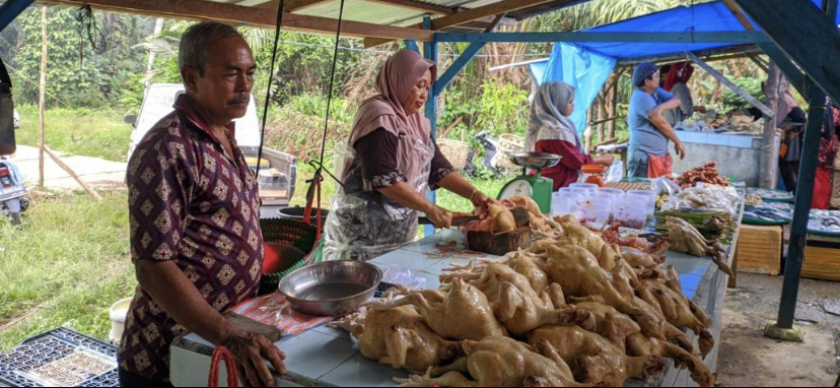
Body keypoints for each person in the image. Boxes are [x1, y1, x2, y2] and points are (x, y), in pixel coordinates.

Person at [119, 22, 286, 388]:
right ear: (191, 78)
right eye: (231, 74)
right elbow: (153, 266)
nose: (245, 85)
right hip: (167, 356)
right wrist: (228, 334)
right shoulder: (168, 147)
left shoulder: (223, 131)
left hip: (215, 343)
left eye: (250, 73)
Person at [324, 50, 494, 261]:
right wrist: (430, 208)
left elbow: (438, 168)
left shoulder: (416, 122)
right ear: (400, 81)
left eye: (427, 87)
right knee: (363, 279)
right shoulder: (379, 116)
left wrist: (475, 194)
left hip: (397, 233)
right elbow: (383, 179)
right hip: (363, 236)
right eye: (419, 85)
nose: (424, 94)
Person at [525, 82, 614, 190]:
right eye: (569, 102)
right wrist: (601, 159)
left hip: (549, 180)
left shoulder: (548, 126)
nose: (573, 105)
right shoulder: (555, 131)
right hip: (554, 184)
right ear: (557, 104)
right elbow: (574, 161)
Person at [627, 62, 685, 178]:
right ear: (647, 82)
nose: (660, 78)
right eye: (656, 76)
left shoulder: (654, 90)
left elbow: (677, 100)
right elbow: (661, 123)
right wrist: (678, 142)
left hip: (656, 156)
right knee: (642, 189)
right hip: (644, 159)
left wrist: (660, 107)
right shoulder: (641, 97)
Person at [814, 98, 840, 209]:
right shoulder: (835, 106)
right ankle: (822, 206)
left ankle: (817, 207)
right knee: (824, 176)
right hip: (831, 145)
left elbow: (822, 128)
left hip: (823, 145)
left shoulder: (827, 104)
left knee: (819, 176)